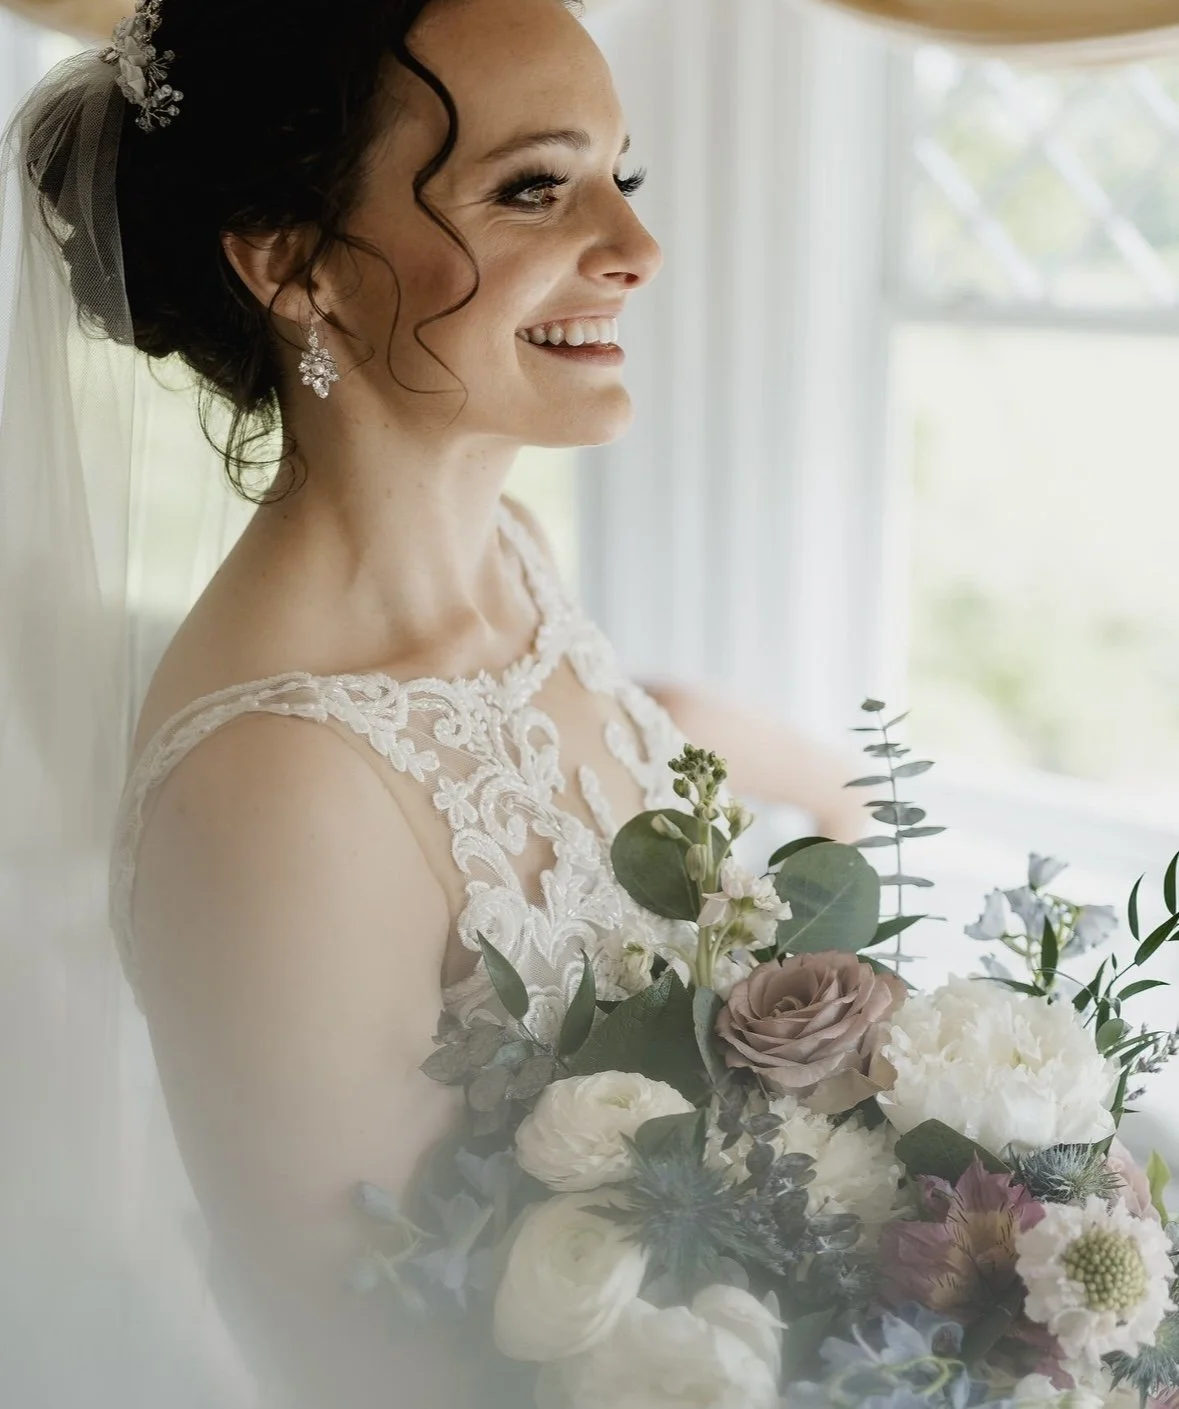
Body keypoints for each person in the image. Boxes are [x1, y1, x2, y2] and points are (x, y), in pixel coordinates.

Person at [0, 1, 865, 1405]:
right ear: (292, 266)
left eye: (618, 177)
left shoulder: (513, 554)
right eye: (534, 187)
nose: (636, 251)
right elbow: (369, 1365)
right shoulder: (273, 789)